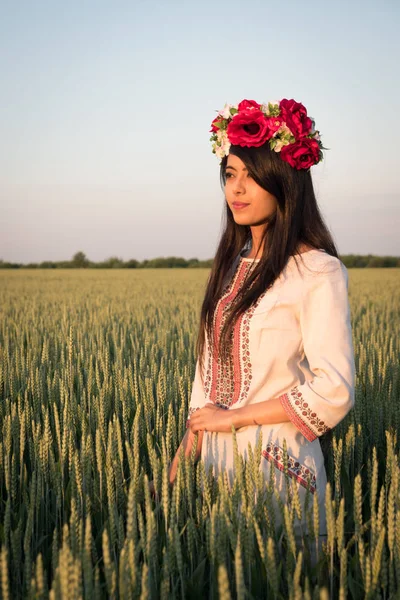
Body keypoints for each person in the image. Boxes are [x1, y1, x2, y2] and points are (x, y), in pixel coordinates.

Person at [158, 98, 356, 542]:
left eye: (252, 175)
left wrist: (237, 418)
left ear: (285, 180)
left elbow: (334, 389)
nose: (237, 189)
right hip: (215, 469)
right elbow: (204, 389)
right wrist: (173, 478)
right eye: (230, 175)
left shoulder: (316, 270)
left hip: (279, 469)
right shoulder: (232, 267)